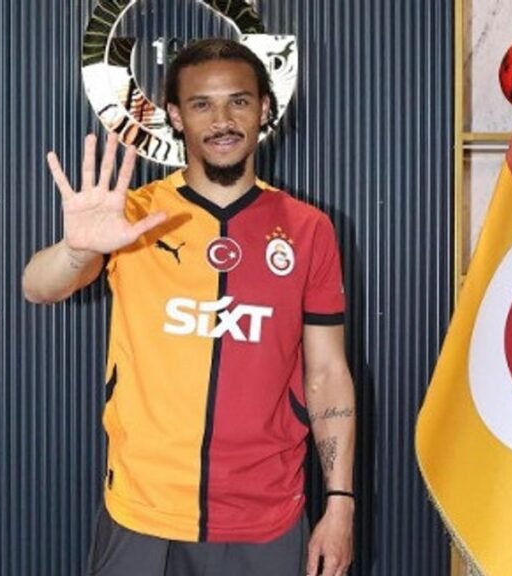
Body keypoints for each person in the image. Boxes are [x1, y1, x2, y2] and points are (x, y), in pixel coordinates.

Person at [22, 39, 356, 576]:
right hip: (141, 510)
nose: (222, 120)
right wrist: (79, 249)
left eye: (238, 101)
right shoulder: (133, 216)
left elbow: (327, 373)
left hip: (266, 515)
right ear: (176, 116)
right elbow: (39, 286)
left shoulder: (308, 229)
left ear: (264, 108)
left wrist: (340, 503)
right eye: (202, 104)